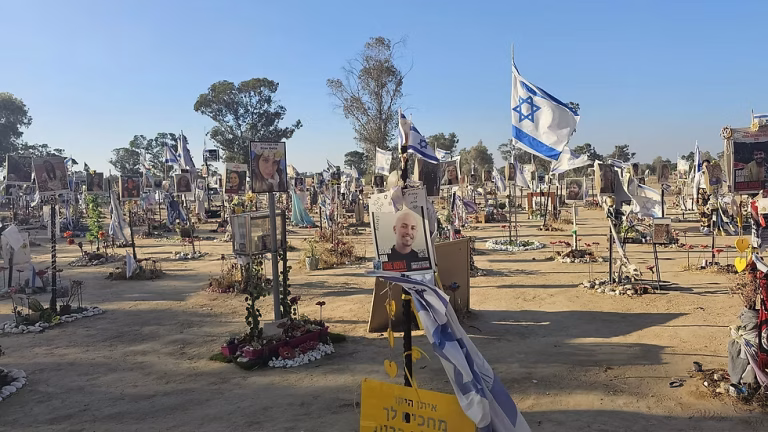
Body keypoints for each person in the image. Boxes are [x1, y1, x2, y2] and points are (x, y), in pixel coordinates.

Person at [693, 159, 712, 234]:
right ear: (702, 166)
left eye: (708, 165)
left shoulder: (712, 174)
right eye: (705, 165)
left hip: (709, 192)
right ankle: (702, 225)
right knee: (701, 210)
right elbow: (695, 186)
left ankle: (707, 226)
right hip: (701, 192)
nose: (706, 167)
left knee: (708, 209)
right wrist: (695, 196)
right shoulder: (699, 174)